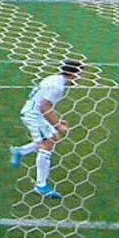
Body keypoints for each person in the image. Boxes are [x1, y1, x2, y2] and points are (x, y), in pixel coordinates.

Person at [9, 60, 84, 200]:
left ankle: (20, 151)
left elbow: (46, 106)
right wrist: (58, 125)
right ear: (73, 74)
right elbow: (45, 108)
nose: (82, 78)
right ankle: (41, 185)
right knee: (47, 145)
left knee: (53, 139)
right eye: (81, 75)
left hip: (35, 112)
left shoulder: (54, 79)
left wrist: (57, 121)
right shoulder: (58, 87)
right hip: (34, 115)